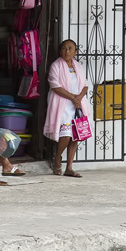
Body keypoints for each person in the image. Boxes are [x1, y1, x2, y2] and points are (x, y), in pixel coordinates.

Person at [43, 39, 93, 178]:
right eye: (64, 48)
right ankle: (58, 158)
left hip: (77, 104)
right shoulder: (56, 66)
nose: (67, 51)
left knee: (76, 135)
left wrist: (78, 98)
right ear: (60, 51)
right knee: (66, 134)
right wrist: (72, 97)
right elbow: (55, 85)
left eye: (70, 48)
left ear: (75, 52)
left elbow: (85, 84)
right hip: (63, 103)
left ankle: (69, 167)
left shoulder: (78, 66)